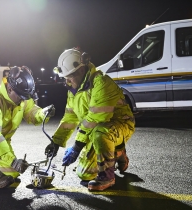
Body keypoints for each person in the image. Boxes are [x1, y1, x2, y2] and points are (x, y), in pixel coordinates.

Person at [44, 48, 135, 191]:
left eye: (70, 76)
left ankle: (107, 176)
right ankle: (118, 153)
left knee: (100, 133)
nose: (67, 81)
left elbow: (95, 118)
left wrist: (76, 147)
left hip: (120, 125)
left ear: (81, 70)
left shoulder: (101, 82)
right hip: (95, 130)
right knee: (85, 174)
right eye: (65, 77)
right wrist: (56, 142)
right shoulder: (74, 89)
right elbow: (70, 117)